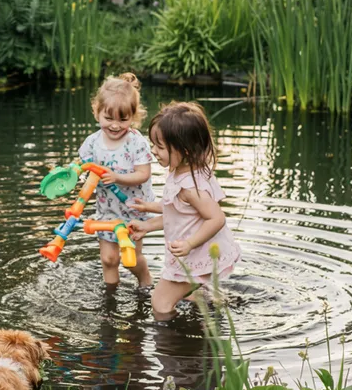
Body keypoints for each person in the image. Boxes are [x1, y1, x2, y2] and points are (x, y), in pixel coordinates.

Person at [128, 101, 241, 319]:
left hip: (195, 252)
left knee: (160, 301)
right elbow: (178, 213)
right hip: (196, 252)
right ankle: (205, 304)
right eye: (153, 144)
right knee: (188, 294)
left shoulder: (190, 186)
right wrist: (146, 225)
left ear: (184, 150)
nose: (153, 151)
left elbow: (217, 218)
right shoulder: (182, 171)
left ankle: (175, 344)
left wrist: (189, 244)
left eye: (160, 147)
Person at [78, 73, 153, 289]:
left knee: (132, 259)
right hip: (107, 209)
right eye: (108, 118)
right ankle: (110, 297)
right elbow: (84, 165)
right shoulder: (92, 142)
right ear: (96, 112)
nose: (115, 125)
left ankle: (145, 280)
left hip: (133, 208)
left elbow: (143, 174)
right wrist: (74, 174)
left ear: (133, 116)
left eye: (123, 119)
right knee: (109, 259)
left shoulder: (136, 142)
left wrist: (117, 177)